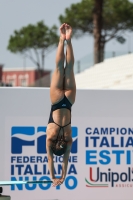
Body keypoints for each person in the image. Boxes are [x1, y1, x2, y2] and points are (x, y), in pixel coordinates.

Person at [46, 23, 76, 187]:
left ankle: (68, 40)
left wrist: (62, 176)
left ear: (63, 147)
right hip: (57, 101)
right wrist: (54, 177)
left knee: (69, 68)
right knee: (59, 68)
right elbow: (51, 159)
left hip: (69, 100)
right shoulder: (50, 139)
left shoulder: (69, 140)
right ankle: (62, 39)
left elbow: (65, 160)